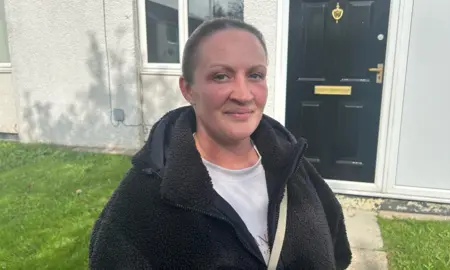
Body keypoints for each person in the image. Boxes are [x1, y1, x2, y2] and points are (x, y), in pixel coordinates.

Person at [89, 18, 352, 269]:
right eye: (221, 76)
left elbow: (336, 248)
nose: (243, 94)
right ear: (188, 89)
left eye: (255, 75)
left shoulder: (293, 166)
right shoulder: (140, 201)